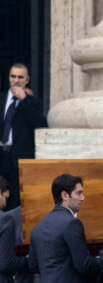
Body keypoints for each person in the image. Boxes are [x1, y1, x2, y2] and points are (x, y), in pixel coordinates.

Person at [0, 63, 47, 210]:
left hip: (19, 158)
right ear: (8, 78)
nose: (16, 80)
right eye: (13, 76)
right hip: (1, 155)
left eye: (20, 77)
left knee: (15, 202)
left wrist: (24, 99)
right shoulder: (1, 99)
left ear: (27, 80)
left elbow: (40, 123)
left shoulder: (33, 102)